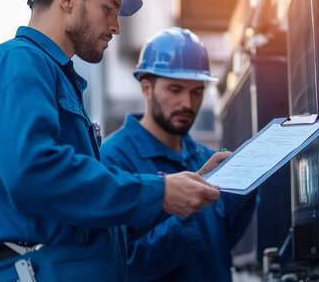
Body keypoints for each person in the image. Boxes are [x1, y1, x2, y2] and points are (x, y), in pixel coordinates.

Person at [0, 0, 228, 282]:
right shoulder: (19, 63)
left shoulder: (51, 76)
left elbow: (95, 219)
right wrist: (159, 191)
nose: (115, 26)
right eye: (108, 8)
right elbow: (32, 171)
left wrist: (180, 189)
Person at [100, 27, 257, 282]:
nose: (187, 103)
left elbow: (228, 244)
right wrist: (184, 210)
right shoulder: (113, 159)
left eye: (197, 91)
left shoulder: (207, 160)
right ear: (147, 88)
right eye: (175, 89)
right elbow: (119, 263)